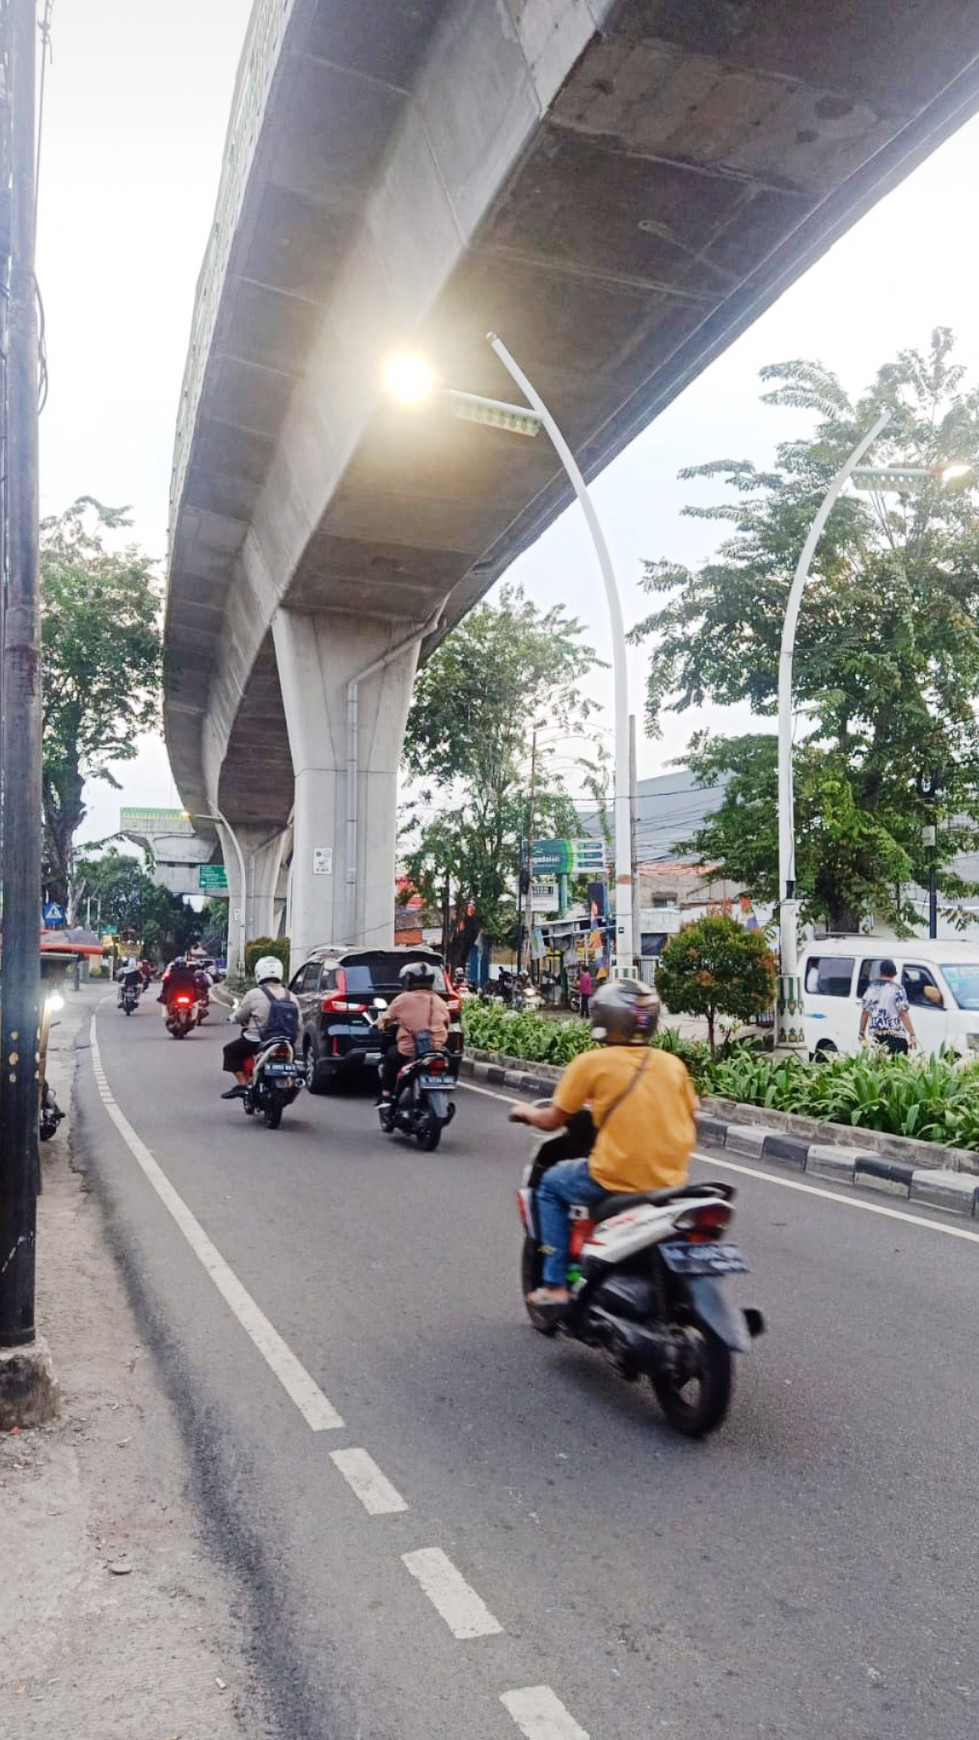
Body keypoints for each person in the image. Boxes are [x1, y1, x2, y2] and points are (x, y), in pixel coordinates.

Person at [509, 979, 698, 1308]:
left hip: (614, 1176)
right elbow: (690, 1114)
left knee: (550, 1186)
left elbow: (552, 1120)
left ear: (604, 1017)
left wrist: (526, 1112)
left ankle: (554, 1285)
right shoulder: (673, 1065)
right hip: (672, 1181)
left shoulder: (591, 1063)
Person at [221, 956, 301, 1099]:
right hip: (285, 1041)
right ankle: (290, 1082)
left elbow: (240, 1016)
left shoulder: (254, 994)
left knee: (230, 1051)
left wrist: (232, 1018)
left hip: (257, 1040)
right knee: (292, 1061)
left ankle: (242, 1084)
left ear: (259, 973)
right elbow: (299, 1022)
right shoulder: (291, 996)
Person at [375, 960, 450, 1102]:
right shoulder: (439, 1001)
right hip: (436, 1048)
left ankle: (386, 1094)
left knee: (390, 1057)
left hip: (410, 1049)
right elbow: (446, 1022)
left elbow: (386, 1019)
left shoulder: (403, 999)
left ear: (409, 980)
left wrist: (378, 1025)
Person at [859, 959, 918, 1056]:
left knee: (880, 1063)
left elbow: (865, 1013)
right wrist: (912, 1034)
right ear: (894, 974)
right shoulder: (898, 989)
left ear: (881, 972)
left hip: (876, 1038)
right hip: (896, 1037)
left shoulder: (871, 989)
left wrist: (861, 1032)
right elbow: (903, 1013)